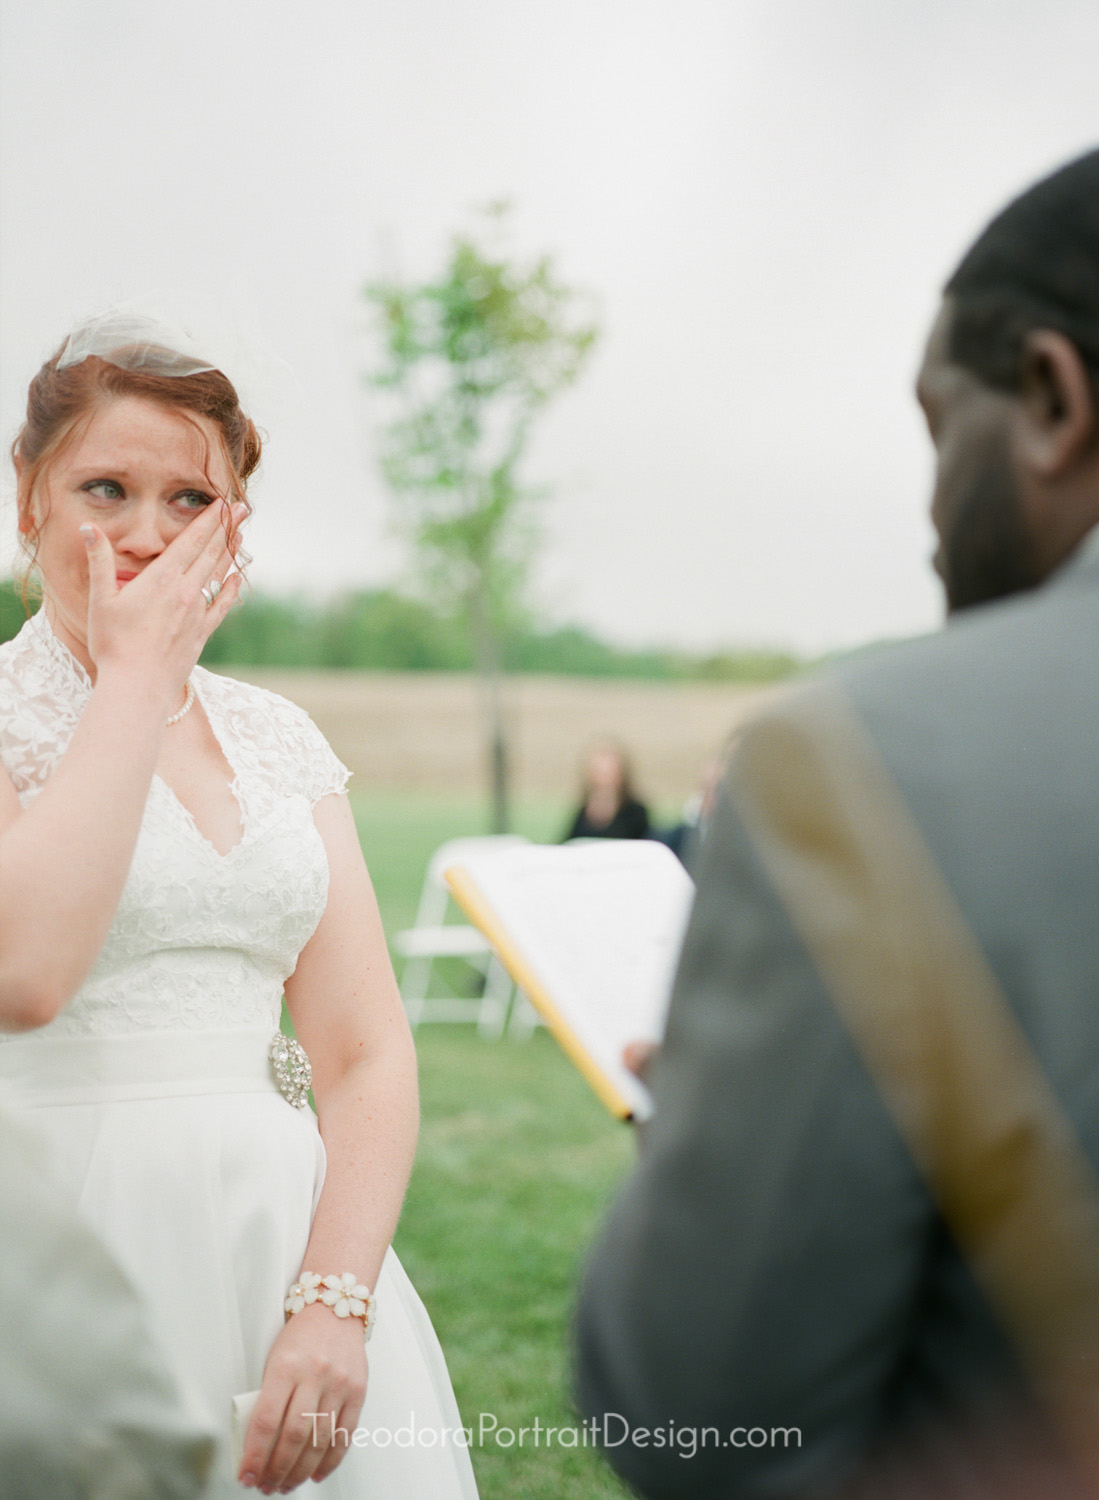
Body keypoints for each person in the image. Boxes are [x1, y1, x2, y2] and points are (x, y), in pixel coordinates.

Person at [574, 148, 1099, 1499]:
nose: (932, 521)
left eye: (938, 432)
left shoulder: (860, 766)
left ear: (1049, 397)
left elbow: (692, 1415)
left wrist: (700, 1145)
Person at [0, 314, 478, 1498]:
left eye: (191, 500)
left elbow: (364, 1051)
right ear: (29, 503)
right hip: (62, 1238)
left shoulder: (278, 737)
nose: (147, 536)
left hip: (285, 1238)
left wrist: (334, 1299)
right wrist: (135, 681)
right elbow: (25, 973)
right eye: (105, 488)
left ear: (235, 522)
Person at [562, 738, 650, 841]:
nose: (604, 779)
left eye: (609, 773)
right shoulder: (582, 813)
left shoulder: (635, 814)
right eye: (600, 773)